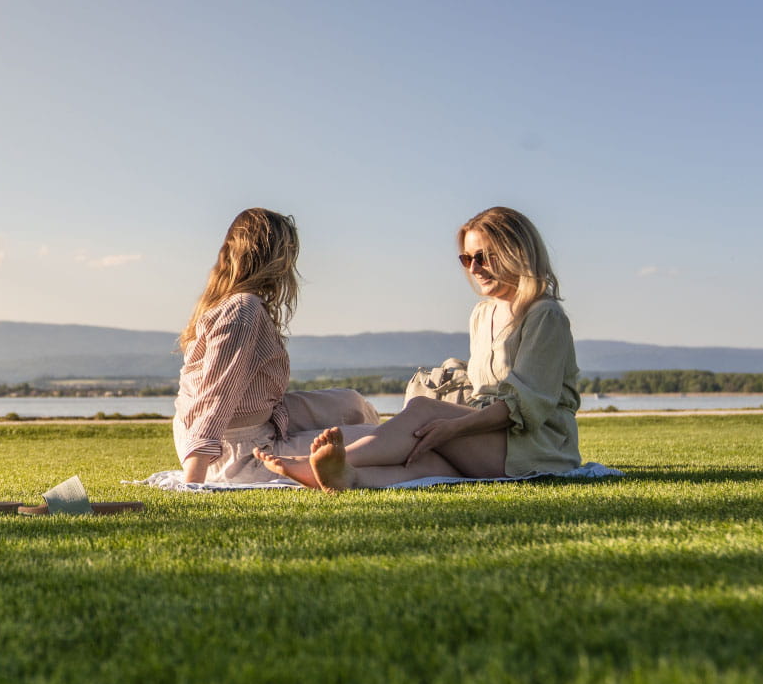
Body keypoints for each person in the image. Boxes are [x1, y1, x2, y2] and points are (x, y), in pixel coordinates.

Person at [258, 206, 582, 491]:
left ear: (516, 252)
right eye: (467, 259)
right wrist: (449, 428)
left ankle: (321, 461)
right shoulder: (483, 314)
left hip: (537, 448)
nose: (474, 268)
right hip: (491, 439)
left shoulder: (544, 315)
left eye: (483, 257)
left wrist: (451, 427)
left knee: (424, 411)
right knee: (426, 461)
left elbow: (522, 406)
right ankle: (348, 476)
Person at [174, 208, 379, 484]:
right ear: (278, 258)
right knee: (378, 439)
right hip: (239, 452)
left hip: (261, 421)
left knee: (351, 403)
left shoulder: (236, 304)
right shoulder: (242, 310)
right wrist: (193, 481)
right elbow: (215, 396)